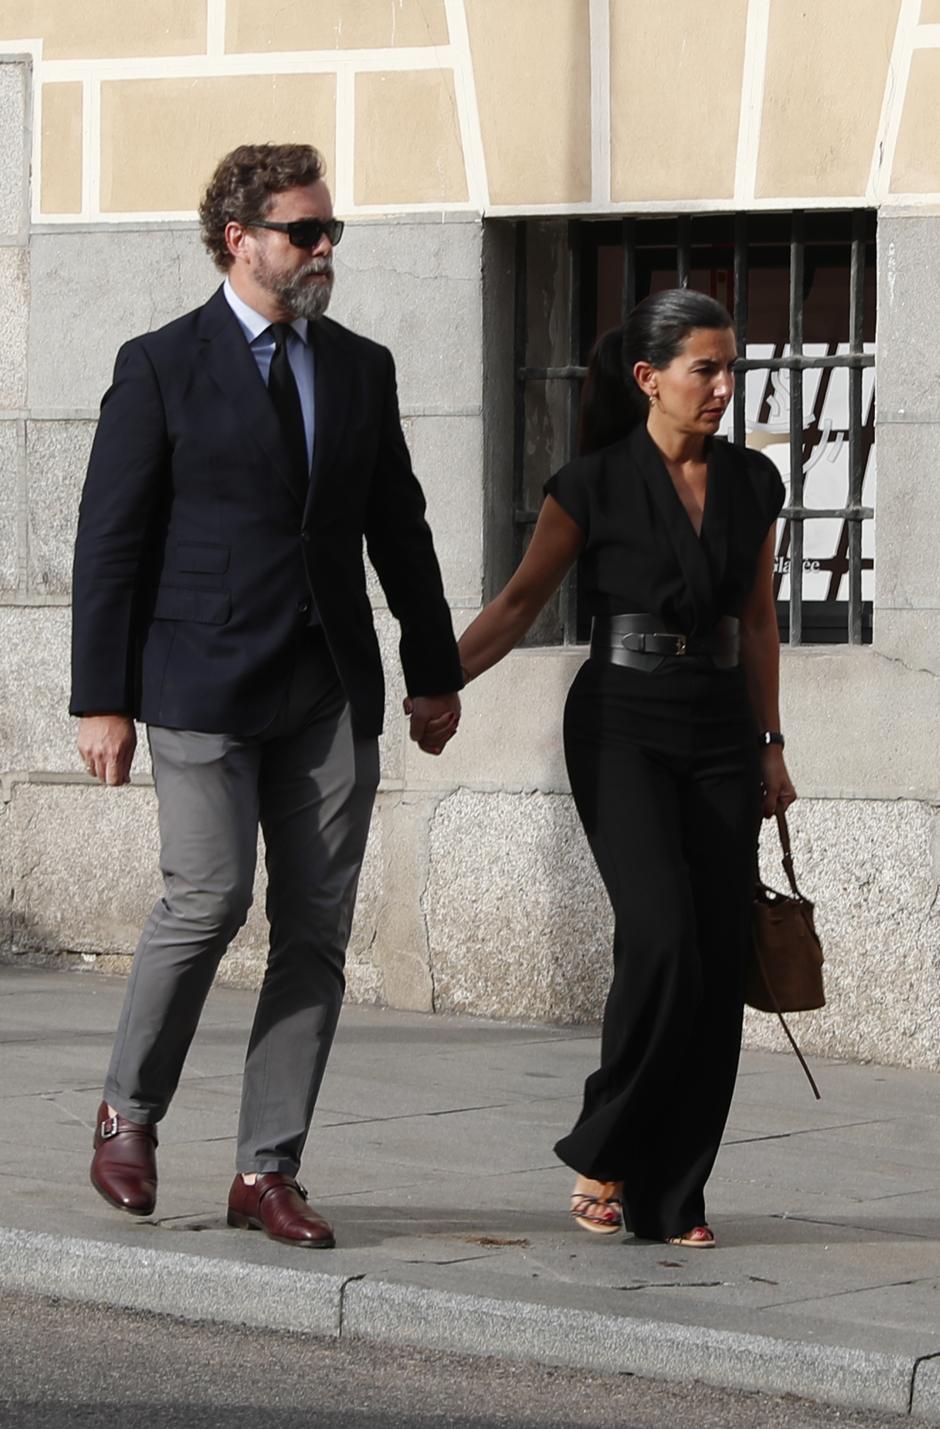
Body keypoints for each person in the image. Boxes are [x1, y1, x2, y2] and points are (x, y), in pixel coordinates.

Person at [72, 142, 462, 1248]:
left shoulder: (358, 366)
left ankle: (264, 1170)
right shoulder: (158, 365)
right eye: (304, 231)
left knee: (315, 931)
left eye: (330, 230)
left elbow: (400, 531)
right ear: (239, 240)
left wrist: (432, 674)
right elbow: (110, 544)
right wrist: (100, 698)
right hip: (197, 681)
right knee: (205, 899)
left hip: (327, 689)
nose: (323, 247)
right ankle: (126, 1113)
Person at [457, 289, 795, 1248]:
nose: (725, 386)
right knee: (661, 939)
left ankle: (672, 1192)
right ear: (649, 378)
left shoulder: (752, 484)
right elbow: (521, 604)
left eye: (733, 368)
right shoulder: (591, 484)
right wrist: (436, 685)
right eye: (707, 369)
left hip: (723, 728)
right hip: (621, 726)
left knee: (717, 952)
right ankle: (609, 1145)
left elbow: (761, 620)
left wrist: (771, 744)